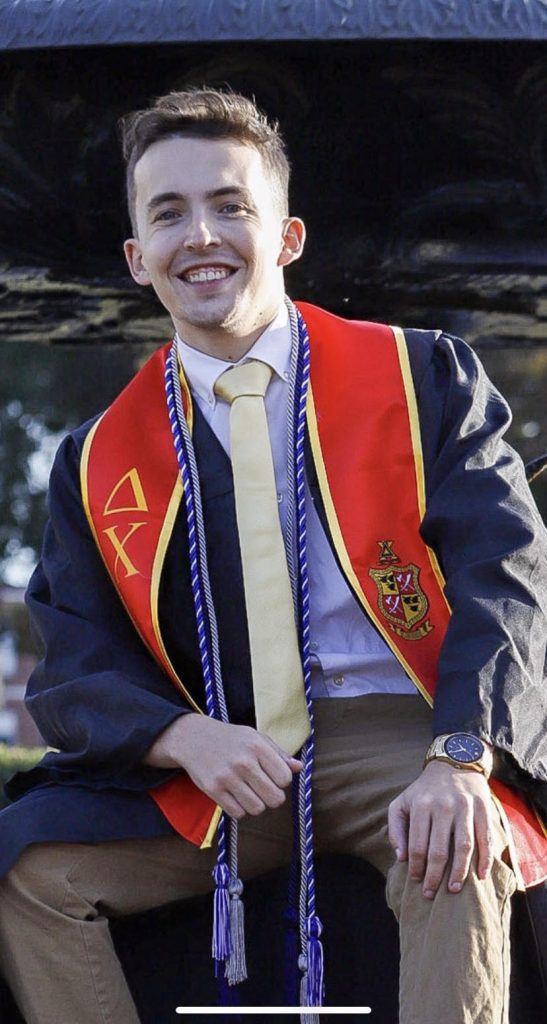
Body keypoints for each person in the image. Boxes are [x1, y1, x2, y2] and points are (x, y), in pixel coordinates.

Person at [0, 87, 545, 1024]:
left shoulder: (422, 379)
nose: (199, 235)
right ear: (138, 258)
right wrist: (181, 736)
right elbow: (73, 657)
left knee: (457, 846)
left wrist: (460, 760)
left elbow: (509, 573)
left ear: (287, 236)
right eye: (168, 214)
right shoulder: (96, 458)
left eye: (230, 206)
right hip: (229, 753)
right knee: (29, 873)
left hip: (405, 726)